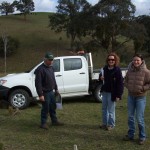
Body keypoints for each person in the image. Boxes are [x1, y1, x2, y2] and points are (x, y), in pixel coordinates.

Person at [123, 54, 150, 145]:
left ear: (141, 61)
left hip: (140, 98)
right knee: (130, 117)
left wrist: (143, 88)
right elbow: (125, 81)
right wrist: (128, 87)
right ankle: (131, 134)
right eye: (134, 60)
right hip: (131, 97)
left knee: (139, 118)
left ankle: (142, 136)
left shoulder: (146, 72)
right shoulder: (129, 71)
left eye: (138, 60)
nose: (136, 62)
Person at [34, 52, 63, 129]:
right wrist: (40, 95)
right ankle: (43, 123)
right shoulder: (40, 69)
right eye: (50, 60)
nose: (51, 61)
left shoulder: (51, 68)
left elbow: (53, 80)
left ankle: (54, 121)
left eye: (52, 60)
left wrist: (56, 89)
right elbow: (38, 83)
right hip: (45, 93)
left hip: (51, 92)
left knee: (53, 107)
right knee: (45, 108)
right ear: (45, 60)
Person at [99, 52, 124, 131]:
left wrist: (118, 95)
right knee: (104, 109)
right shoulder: (104, 69)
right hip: (104, 92)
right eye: (109, 59)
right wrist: (100, 77)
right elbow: (100, 78)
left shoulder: (117, 70)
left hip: (112, 93)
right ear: (107, 60)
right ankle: (104, 124)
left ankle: (111, 124)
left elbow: (120, 84)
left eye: (112, 59)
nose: (111, 61)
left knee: (111, 110)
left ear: (115, 60)